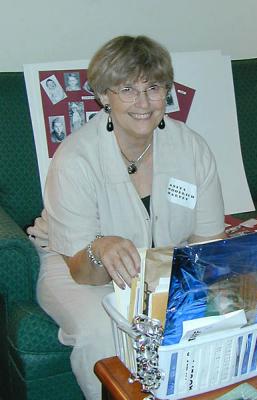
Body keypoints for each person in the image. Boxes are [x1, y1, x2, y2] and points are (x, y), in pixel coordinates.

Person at [27, 35, 225, 400]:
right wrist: (101, 246)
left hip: (160, 263)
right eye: (127, 89)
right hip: (76, 265)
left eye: (153, 88)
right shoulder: (76, 158)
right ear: (105, 96)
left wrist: (192, 291)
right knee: (104, 330)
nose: (143, 102)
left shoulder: (192, 148)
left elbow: (207, 241)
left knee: (212, 312)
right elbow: (80, 270)